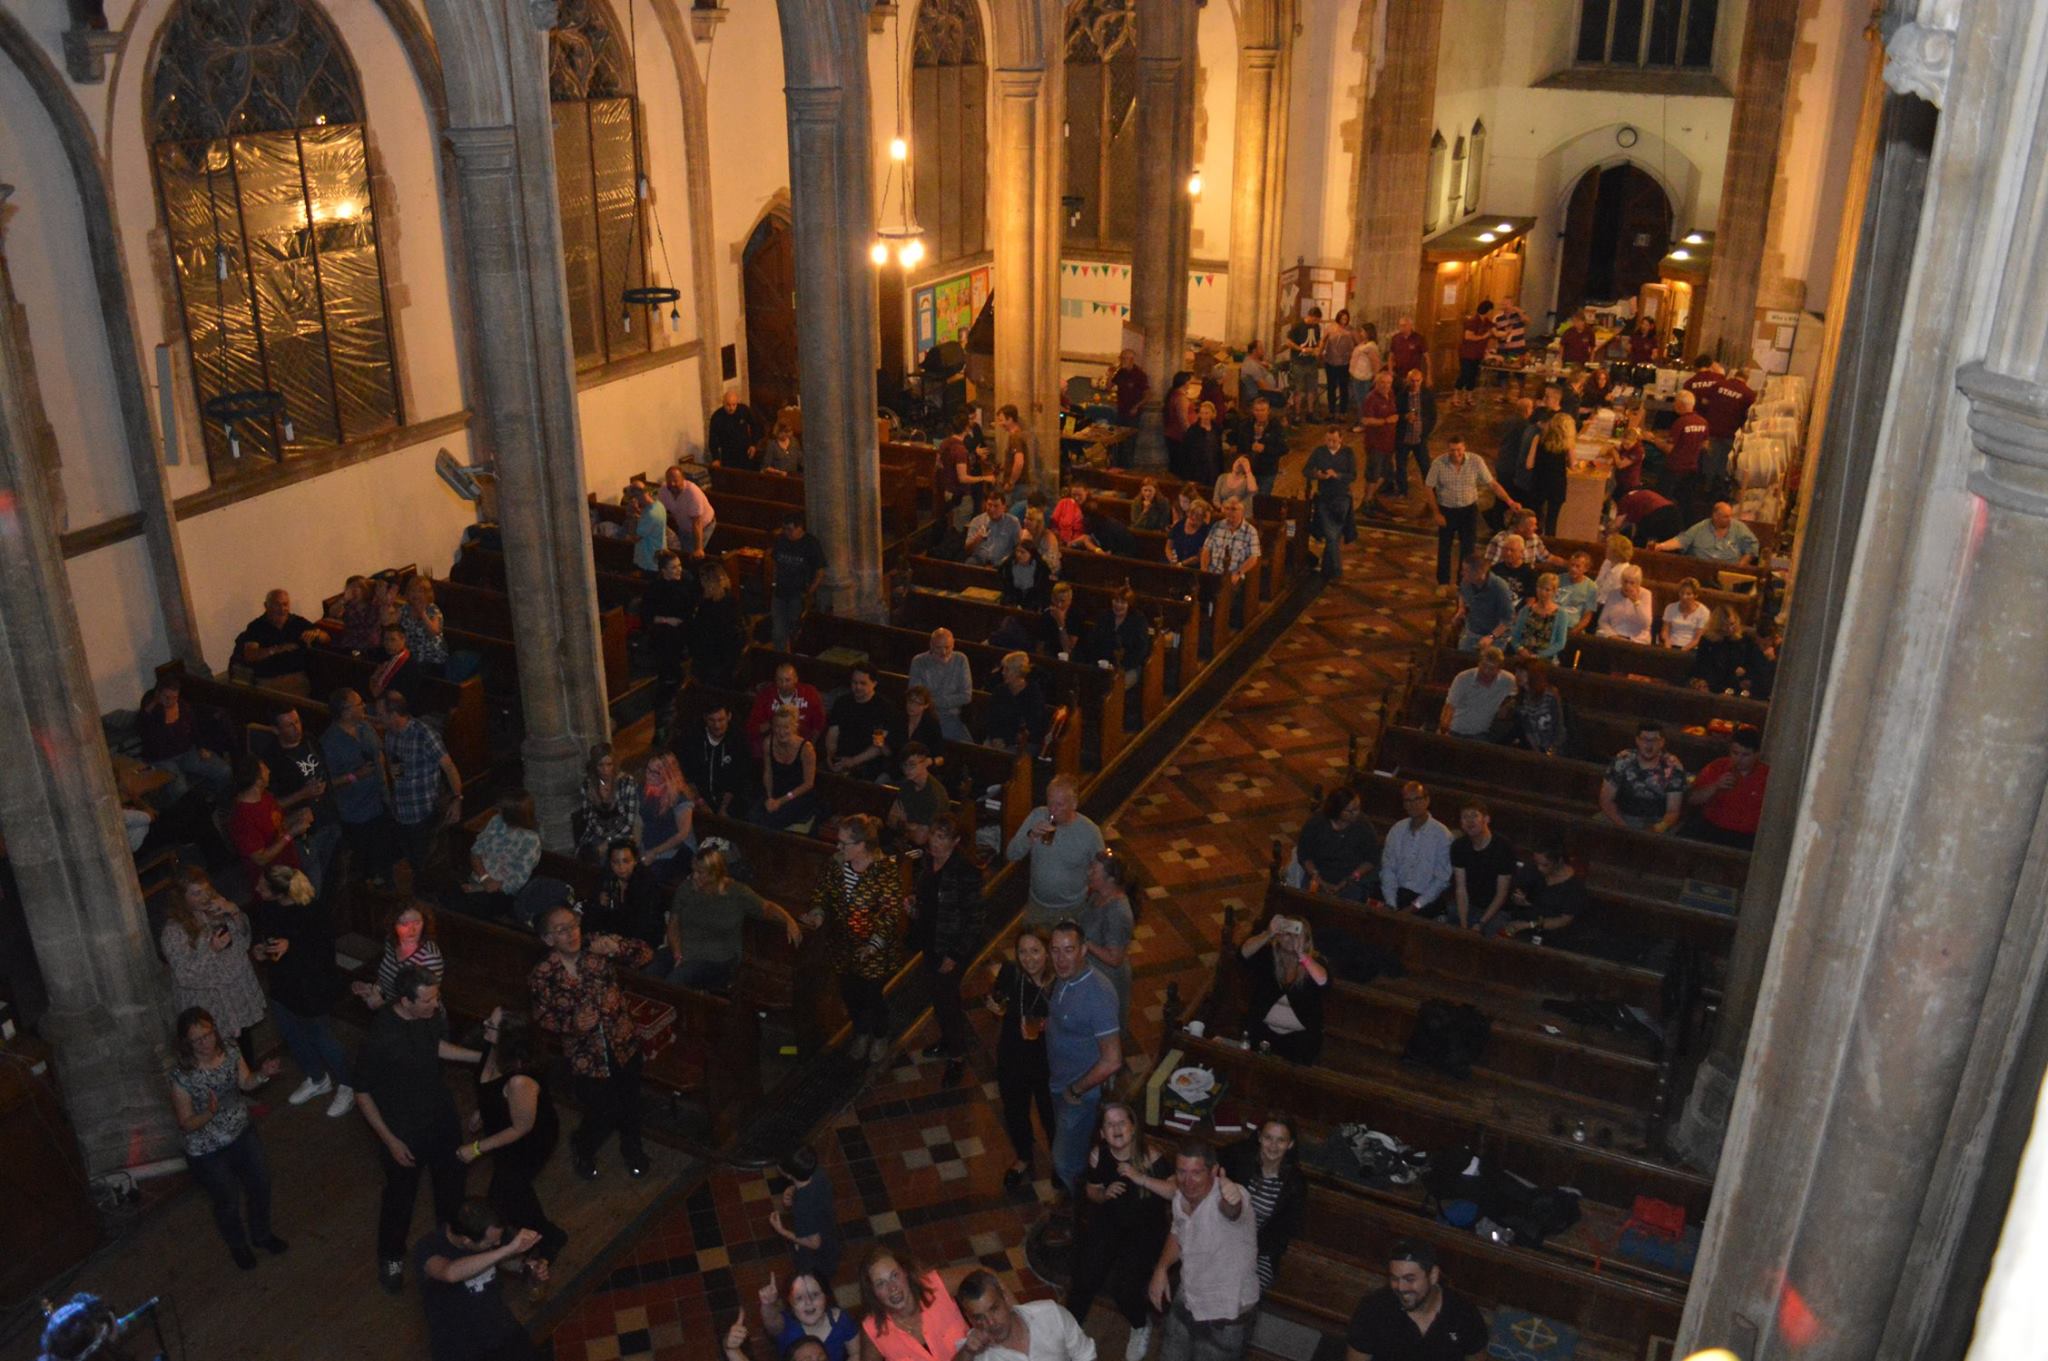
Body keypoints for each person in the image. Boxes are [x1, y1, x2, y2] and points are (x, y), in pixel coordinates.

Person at [354, 965, 481, 1293]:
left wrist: (478, 1058)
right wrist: (390, 1140)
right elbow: (362, 1091)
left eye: (437, 997)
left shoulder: (430, 1017)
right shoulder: (381, 1035)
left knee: (452, 1191)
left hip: (440, 1119)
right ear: (405, 1001)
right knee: (400, 1200)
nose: (435, 1005)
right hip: (403, 1130)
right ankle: (391, 1257)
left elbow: (434, 1047)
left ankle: (452, 1250)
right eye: (427, 1000)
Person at [529, 905, 656, 1178]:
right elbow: (542, 1017)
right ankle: (583, 1146)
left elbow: (645, 953)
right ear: (548, 939)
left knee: (630, 1103)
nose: (571, 933)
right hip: (586, 1054)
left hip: (622, 1042)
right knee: (603, 1110)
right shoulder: (543, 975)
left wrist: (616, 949)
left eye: (573, 925)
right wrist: (572, 1025)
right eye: (561, 930)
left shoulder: (596, 946)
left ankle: (632, 1149)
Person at [168, 1006, 284, 1269]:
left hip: (241, 1131)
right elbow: (186, 1123)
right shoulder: (182, 1076)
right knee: (227, 1199)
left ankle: (262, 1234)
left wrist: (263, 1073)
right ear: (186, 1043)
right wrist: (209, 1113)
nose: (205, 1043)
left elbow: (245, 1082)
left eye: (207, 1035)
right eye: (197, 1040)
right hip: (207, 1148)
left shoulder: (230, 1050)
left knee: (260, 1184)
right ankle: (238, 1246)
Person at [459, 1012, 565, 1270]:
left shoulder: (520, 1080)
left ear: (508, 1038)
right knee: (514, 1192)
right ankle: (542, 1236)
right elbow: (491, 1088)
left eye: (491, 1025)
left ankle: (547, 1237)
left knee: (503, 1194)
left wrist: (476, 1148)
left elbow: (522, 1128)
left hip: (528, 1144)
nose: (485, 1025)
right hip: (504, 1136)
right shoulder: (492, 1049)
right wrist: (482, 1111)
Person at [249, 865, 354, 1117]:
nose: (256, 889)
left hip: (311, 987)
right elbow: (265, 941)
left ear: (280, 892)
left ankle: (348, 1085)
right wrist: (260, 951)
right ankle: (317, 1078)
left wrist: (293, 946)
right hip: (282, 985)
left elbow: (323, 952)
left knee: (322, 1038)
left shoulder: (312, 910)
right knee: (292, 1035)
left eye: (263, 887)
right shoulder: (267, 908)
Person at [1069, 1102, 1171, 1354]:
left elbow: (1175, 1192)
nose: (1116, 1128)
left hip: (1145, 1231)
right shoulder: (1098, 1154)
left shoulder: (1153, 1157)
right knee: (1085, 1277)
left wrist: (1141, 1178)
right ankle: (1067, 1331)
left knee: (1124, 1288)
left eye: (1121, 1122)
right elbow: (1092, 1189)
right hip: (1110, 1224)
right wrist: (1103, 1195)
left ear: (1133, 1127)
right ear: (1102, 1133)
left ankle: (1139, 1325)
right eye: (1109, 1124)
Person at [803, 815, 904, 1064]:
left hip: (874, 952)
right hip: (842, 946)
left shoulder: (885, 871)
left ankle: (880, 1035)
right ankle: (861, 1032)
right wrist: (817, 913)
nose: (838, 847)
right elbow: (822, 892)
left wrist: (873, 944)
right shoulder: (836, 864)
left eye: (843, 843)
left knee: (872, 996)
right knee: (850, 994)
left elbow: (890, 913)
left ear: (861, 845)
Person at [1147, 1139, 1261, 1361]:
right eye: (1181, 1172)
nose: (1187, 1181)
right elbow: (1178, 1232)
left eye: (1197, 1173)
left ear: (1214, 1171)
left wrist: (1232, 1198)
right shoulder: (1180, 1197)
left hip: (1225, 1318)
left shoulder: (1230, 1195)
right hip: (1188, 1299)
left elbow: (1232, 1210)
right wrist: (1161, 1268)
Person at [1046, 920, 1122, 1208]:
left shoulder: (1097, 993)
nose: (1060, 959)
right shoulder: (1064, 981)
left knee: (1066, 1162)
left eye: (1068, 950)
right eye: (1055, 950)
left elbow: (1112, 1060)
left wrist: (1077, 1090)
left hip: (1081, 1094)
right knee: (1071, 1153)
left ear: (1084, 950)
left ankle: (1086, 1212)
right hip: (1060, 1083)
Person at [414, 1199, 544, 1361]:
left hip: (502, 1329)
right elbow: (449, 1272)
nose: (497, 1243)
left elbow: (500, 1260)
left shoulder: (489, 1235)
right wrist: (507, 1249)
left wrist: (525, 1266)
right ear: (466, 1241)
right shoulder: (428, 1247)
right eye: (490, 1243)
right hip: (461, 1348)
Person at [668, 846, 803, 994]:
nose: (694, 876)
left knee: (676, 981)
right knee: (651, 971)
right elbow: (673, 923)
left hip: (717, 960)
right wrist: (677, 953)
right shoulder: (686, 889)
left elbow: (767, 907)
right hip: (683, 951)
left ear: (714, 874)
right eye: (693, 871)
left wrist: (788, 919)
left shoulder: (737, 892)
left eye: (700, 873)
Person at [161, 869, 266, 1057]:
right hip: (209, 1000)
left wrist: (234, 912)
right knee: (220, 1053)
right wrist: (211, 950)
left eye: (205, 891)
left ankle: (251, 1081)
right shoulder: (173, 931)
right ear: (181, 897)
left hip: (233, 991)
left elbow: (243, 939)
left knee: (245, 1046)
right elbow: (184, 974)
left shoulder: (217, 908)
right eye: (196, 893)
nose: (203, 898)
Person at [910, 815, 984, 1082]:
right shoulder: (928, 861)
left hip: (951, 947)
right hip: (931, 941)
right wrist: (915, 907)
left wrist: (954, 955)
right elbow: (929, 899)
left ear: (955, 842)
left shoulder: (965, 871)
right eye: (933, 836)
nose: (935, 843)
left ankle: (957, 1055)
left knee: (947, 999)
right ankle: (947, 1040)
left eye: (942, 838)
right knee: (938, 996)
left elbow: (973, 919)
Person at [988, 926, 1058, 1190]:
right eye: (1023, 952)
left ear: (1047, 952)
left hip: (1046, 1060)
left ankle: (1059, 1161)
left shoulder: (1057, 984)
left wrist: (1050, 1025)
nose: (1029, 958)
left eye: (1035, 951)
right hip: (1012, 1054)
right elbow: (998, 998)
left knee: (1050, 1114)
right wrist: (995, 1007)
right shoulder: (1011, 972)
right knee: (1014, 1109)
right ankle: (1024, 1156)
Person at [1342, 1241, 1487, 1361]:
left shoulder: (1463, 1314)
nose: (1401, 1287)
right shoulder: (1374, 1309)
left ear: (1433, 1275)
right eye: (1394, 1278)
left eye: (1409, 1279)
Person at [249, 706, 339, 892]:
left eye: (297, 721)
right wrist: (303, 794)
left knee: (333, 876)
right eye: (289, 725)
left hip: (329, 818)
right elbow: (271, 805)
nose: (297, 728)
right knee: (311, 884)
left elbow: (326, 772)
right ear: (276, 730)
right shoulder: (271, 760)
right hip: (304, 832)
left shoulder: (310, 740)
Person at [1005, 775, 1105, 924]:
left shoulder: (1090, 832)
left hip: (1073, 910)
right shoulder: (1037, 816)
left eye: (1059, 805)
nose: (1052, 810)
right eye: (1050, 803)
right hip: (1037, 907)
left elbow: (1102, 871)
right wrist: (1030, 836)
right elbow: (1011, 854)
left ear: (1074, 804)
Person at [1220, 1117, 1306, 1290]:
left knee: (1244, 1288)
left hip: (1261, 1250)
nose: (1273, 1146)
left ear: (1290, 1144)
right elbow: (1212, 1169)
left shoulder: (1295, 1184)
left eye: (1281, 1140)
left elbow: (1285, 1231)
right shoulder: (1239, 1156)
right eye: (1268, 1138)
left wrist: (1249, 1250)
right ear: (1259, 1137)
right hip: (1224, 1235)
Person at [382, 690, 462, 874]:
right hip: (401, 811)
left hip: (423, 812)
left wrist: (457, 799)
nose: (378, 718)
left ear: (393, 715)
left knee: (426, 864)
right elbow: (396, 768)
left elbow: (449, 767)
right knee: (409, 861)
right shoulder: (390, 735)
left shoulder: (424, 734)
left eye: (381, 714)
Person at [1425, 441, 1519, 588]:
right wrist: (1436, 513)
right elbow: (1429, 487)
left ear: (1464, 448)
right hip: (1447, 510)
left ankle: (1462, 582)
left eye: (1459, 450)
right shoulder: (1438, 463)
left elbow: (1492, 484)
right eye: (1452, 450)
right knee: (1444, 547)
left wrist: (1509, 501)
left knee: (1468, 549)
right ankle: (1443, 582)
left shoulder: (1476, 461)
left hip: (1468, 511)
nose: (1456, 454)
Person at [1238, 915, 1328, 1063]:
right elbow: (1243, 954)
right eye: (1287, 933)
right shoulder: (1268, 956)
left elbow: (1323, 982)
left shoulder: (1314, 963)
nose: (1291, 938)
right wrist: (1268, 933)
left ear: (1306, 940)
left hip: (1299, 1041)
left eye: (1297, 934)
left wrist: (1301, 955)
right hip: (1262, 1033)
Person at [858, 1244, 970, 1361]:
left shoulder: (936, 1286)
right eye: (881, 1283)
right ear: (872, 1292)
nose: (892, 1287)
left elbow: (983, 1276)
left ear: (905, 1272)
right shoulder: (873, 1329)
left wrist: (981, 1317)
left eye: (895, 1275)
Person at [958, 1271, 1096, 1361]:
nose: (991, 1323)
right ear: (969, 1318)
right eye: (979, 1317)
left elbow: (1086, 1355)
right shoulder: (973, 1353)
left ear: (1005, 1298)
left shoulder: (1050, 1314)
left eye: (994, 1309)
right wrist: (968, 1352)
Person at [138, 673, 232, 800]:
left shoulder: (184, 707)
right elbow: (142, 725)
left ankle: (218, 802)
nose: (170, 701)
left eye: (174, 697)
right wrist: (153, 705)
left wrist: (201, 748)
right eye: (166, 697)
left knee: (224, 770)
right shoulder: (151, 711)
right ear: (158, 695)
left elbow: (194, 730)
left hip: (187, 752)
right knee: (180, 790)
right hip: (163, 759)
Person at [225, 753, 309, 886]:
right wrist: (291, 833)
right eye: (265, 769)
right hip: (274, 883)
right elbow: (260, 858)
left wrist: (296, 818)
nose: (269, 771)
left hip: (288, 869)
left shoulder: (264, 796)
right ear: (258, 781)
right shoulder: (242, 818)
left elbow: (275, 824)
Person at [1077, 851, 1137, 1036]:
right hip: (1091, 973)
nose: (1088, 873)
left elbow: (1115, 958)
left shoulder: (1117, 913)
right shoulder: (1097, 895)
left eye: (1093, 871)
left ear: (1110, 879)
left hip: (1107, 981)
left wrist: (1083, 941)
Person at [1684, 725, 1769, 849]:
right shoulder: (1717, 767)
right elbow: (1692, 799)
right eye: (1735, 753)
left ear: (1757, 754)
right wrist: (1715, 786)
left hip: (1748, 837)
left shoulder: (1767, 776)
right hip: (1712, 830)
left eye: (1745, 755)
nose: (1738, 759)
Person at [463, 791, 541, 921]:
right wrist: (484, 878)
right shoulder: (497, 821)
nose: (496, 810)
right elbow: (476, 851)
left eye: (501, 809)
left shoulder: (530, 840)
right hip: (480, 878)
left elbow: (516, 881)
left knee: (471, 908)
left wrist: (481, 887)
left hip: (501, 893)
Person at [353, 900, 446, 1010]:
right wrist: (373, 989)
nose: (412, 930)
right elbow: (387, 976)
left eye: (417, 923)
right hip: (390, 1006)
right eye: (404, 924)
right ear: (394, 925)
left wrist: (381, 1005)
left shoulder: (430, 958)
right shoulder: (391, 943)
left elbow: (424, 1005)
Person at [769, 1145, 841, 1286]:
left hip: (817, 1258)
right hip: (828, 1231)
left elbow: (814, 1243)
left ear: (788, 1174)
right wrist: (792, 1190)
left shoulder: (803, 1208)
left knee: (810, 1278)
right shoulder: (818, 1173)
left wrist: (781, 1231)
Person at [1289, 787, 1379, 900]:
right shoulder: (1316, 823)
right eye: (1350, 811)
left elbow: (1372, 858)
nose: (1356, 813)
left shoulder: (1363, 826)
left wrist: (1351, 878)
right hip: (1317, 876)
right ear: (1337, 810)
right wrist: (1318, 879)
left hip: (1351, 880)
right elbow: (1304, 854)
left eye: (1357, 808)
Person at [1599, 722, 1690, 832]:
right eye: (1644, 739)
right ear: (1637, 740)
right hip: (1622, 815)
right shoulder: (1623, 760)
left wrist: (1656, 830)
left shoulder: (1673, 766)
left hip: (1657, 821)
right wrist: (1623, 827)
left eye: (1655, 740)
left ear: (1662, 742)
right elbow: (1606, 800)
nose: (1649, 744)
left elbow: (1673, 811)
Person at [235, 589, 328, 693]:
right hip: (269, 681)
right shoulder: (257, 626)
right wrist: (278, 649)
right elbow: (250, 655)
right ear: (266, 606)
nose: (282, 609)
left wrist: (317, 633)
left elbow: (327, 638)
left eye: (285, 604)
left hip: (298, 677)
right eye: (277, 604)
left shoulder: (297, 622)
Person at [1446, 799, 1517, 934]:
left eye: (1474, 816)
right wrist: (1463, 924)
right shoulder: (1459, 846)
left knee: (1490, 931)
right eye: (1465, 817)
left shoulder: (1503, 847)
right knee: (1451, 916)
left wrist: (1480, 923)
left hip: (1498, 910)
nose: (1470, 821)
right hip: (1471, 905)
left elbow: (1501, 894)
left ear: (1486, 819)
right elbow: (1461, 889)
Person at [1379, 782, 1452, 913]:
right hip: (1397, 893)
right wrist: (1390, 902)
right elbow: (1388, 868)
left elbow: (1441, 879)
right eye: (1407, 800)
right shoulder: (1397, 829)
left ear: (1427, 800)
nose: (1412, 804)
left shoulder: (1442, 834)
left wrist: (1416, 905)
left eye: (1417, 799)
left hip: (1426, 899)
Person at [1501, 843, 1592, 948]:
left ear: (1559, 861)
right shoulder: (1532, 869)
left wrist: (1528, 925)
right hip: (1520, 920)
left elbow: (1563, 920)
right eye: (1537, 863)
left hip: (1550, 934)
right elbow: (1517, 888)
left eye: (1545, 865)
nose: (1540, 868)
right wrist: (1519, 899)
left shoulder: (1574, 887)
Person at [758, 1270, 859, 1361]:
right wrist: (768, 1304)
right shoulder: (784, 1323)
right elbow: (771, 1323)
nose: (808, 1302)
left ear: (826, 1296)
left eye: (815, 1295)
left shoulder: (841, 1320)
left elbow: (856, 1353)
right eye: (799, 1298)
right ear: (789, 1301)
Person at [642, 550, 695, 720]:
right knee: (670, 672)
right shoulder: (656, 588)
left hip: (684, 633)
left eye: (679, 566)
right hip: (665, 636)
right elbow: (647, 615)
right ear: (663, 571)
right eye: (673, 568)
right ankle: (666, 707)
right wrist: (667, 620)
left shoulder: (685, 582)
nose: (678, 570)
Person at [588, 839, 666, 950]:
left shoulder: (646, 882)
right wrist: (598, 904)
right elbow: (594, 919)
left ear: (635, 861)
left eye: (626, 861)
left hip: (640, 941)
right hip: (612, 938)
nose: (621, 867)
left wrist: (619, 942)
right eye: (615, 862)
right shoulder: (606, 880)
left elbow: (646, 923)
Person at [677, 699, 749, 817]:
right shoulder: (692, 738)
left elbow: (739, 778)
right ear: (705, 718)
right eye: (712, 720)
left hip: (729, 800)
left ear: (729, 717)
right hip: (697, 799)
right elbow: (686, 775)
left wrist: (724, 808)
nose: (717, 725)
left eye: (721, 720)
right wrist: (700, 803)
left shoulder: (738, 740)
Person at [1303, 425, 1357, 580]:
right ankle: (1336, 570)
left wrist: (1337, 475)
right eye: (1328, 440)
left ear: (1340, 439)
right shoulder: (1319, 452)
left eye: (1334, 440)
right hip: (1324, 497)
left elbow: (1352, 475)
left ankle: (1328, 569)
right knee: (1331, 535)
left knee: (1334, 535)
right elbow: (1306, 470)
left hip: (1342, 499)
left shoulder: (1348, 453)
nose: (1331, 443)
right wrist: (1317, 475)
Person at [572, 742, 641, 862]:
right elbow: (589, 818)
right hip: (598, 832)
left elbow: (628, 822)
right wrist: (600, 803)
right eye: (600, 765)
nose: (605, 770)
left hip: (622, 834)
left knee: (613, 858)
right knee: (585, 857)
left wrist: (608, 841)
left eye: (609, 764)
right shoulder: (589, 785)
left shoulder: (626, 782)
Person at [638, 751, 697, 886]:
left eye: (655, 772)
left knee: (650, 877)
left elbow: (682, 834)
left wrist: (654, 852)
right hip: (650, 845)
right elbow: (639, 821)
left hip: (676, 850)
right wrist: (637, 847)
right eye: (648, 770)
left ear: (667, 774)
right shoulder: (643, 790)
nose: (649, 775)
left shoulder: (680, 797)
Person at [770, 513, 828, 649]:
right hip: (780, 593)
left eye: (790, 530)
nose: (786, 533)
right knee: (778, 631)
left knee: (795, 630)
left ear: (799, 528)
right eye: (784, 529)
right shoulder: (781, 540)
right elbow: (774, 563)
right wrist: (773, 583)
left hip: (798, 595)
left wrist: (809, 592)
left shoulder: (810, 544)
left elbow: (820, 572)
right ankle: (780, 656)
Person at [825, 665, 894, 780]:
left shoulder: (884, 708)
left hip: (867, 763)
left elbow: (878, 745)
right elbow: (832, 733)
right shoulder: (842, 702)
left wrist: (853, 761)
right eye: (854, 682)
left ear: (874, 683)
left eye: (863, 683)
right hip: (841, 758)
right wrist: (831, 756)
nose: (857, 687)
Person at [759, 708, 821, 833]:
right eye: (778, 727)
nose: (781, 732)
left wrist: (781, 801)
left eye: (786, 727)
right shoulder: (768, 743)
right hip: (777, 791)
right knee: (754, 815)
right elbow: (768, 773)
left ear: (794, 727)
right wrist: (770, 797)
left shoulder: (806, 748)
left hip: (797, 795)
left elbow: (808, 783)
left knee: (772, 822)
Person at [747, 661, 828, 756]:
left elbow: (819, 724)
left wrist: (809, 747)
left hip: (802, 748)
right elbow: (752, 728)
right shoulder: (766, 696)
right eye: (779, 680)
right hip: (774, 749)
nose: (783, 684)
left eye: (787, 680)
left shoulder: (809, 693)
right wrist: (772, 723)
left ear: (796, 679)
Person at [909, 628, 974, 744]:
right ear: (931, 646)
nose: (943, 652)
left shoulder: (960, 659)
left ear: (953, 645)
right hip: (926, 716)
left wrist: (932, 702)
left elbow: (966, 696)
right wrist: (942, 703)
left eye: (947, 647)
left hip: (952, 717)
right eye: (939, 648)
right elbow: (916, 696)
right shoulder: (919, 661)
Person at [689, 561, 747, 689]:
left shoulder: (730, 605)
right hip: (706, 659)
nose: (702, 586)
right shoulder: (705, 604)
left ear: (712, 584)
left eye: (704, 582)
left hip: (721, 662)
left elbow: (734, 638)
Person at [1690, 605, 1769, 696]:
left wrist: (1746, 674)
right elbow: (1702, 665)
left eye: (1732, 624)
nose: (1729, 629)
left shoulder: (1745, 640)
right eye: (1724, 625)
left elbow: (1756, 663)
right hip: (1714, 685)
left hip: (1738, 686)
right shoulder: (1707, 641)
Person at [986, 651, 1053, 754]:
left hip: (1023, 742)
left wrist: (1008, 740)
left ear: (1018, 672)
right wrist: (996, 737)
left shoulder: (1033, 693)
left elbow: (1031, 726)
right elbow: (991, 717)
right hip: (998, 738)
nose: (1003, 672)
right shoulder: (1000, 690)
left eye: (1007, 670)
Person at [887, 742, 953, 847]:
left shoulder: (934, 794)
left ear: (925, 762)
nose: (907, 770)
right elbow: (891, 820)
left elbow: (921, 839)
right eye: (905, 765)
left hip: (927, 850)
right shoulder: (906, 785)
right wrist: (911, 826)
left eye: (912, 764)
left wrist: (902, 823)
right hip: (901, 843)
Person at [1654, 501, 1762, 564]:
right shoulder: (1701, 526)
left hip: (1728, 573)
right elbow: (1681, 540)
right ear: (1715, 516)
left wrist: (1740, 566)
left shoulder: (1739, 527)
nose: (1729, 519)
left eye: (1730, 516)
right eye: (1725, 517)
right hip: (1701, 570)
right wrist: (1661, 546)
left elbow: (1752, 547)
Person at [1450, 552, 1515, 653]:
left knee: (1488, 661)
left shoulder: (1500, 588)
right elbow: (1462, 593)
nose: (1462, 573)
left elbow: (1508, 619)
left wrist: (1491, 637)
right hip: (1472, 630)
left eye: (1466, 571)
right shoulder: (1466, 582)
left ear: (1478, 573)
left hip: (1496, 635)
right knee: (1461, 659)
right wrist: (1461, 609)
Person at [1525, 413, 1575, 536]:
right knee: (1552, 520)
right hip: (1556, 484)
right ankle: (1549, 544)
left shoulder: (1538, 438)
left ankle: (1533, 541)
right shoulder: (1567, 444)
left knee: (1536, 518)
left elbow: (1529, 464)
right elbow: (1573, 465)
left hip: (1539, 482)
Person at [1201, 496, 1261, 591]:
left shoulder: (1250, 531)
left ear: (1242, 511)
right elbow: (1206, 549)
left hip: (1234, 576)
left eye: (1234, 509)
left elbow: (1254, 557)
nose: (1229, 512)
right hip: (1213, 574)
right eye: (1227, 509)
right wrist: (1204, 571)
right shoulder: (1217, 526)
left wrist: (1238, 573)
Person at [1510, 659, 1568, 757]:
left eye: (1522, 672)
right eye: (1516, 671)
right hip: (1533, 747)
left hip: (1553, 745)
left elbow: (1558, 723)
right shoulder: (1520, 699)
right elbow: (1528, 729)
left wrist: (1554, 747)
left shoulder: (1550, 694)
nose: (1517, 675)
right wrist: (1536, 751)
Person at [1394, 367, 1438, 495]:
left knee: (1425, 466)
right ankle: (1403, 490)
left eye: (1417, 381)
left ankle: (1431, 492)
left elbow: (1433, 416)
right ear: (1408, 380)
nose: (1415, 383)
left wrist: (1426, 432)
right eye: (1412, 381)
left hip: (1420, 437)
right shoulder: (1401, 395)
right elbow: (1395, 413)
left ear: (1421, 380)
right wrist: (1404, 417)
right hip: (1404, 436)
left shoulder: (1427, 395)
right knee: (1401, 465)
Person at [1233, 397, 1287, 497]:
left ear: (1268, 411)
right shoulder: (1245, 425)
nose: (1260, 413)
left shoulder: (1275, 427)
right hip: (1248, 470)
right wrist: (1249, 447)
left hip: (1267, 470)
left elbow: (1283, 449)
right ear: (1253, 411)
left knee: (1262, 500)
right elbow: (1240, 446)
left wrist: (1265, 449)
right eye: (1257, 410)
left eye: (1263, 410)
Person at [1511, 572, 1569, 662]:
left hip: (1545, 659)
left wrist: (1538, 655)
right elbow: (1515, 637)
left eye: (1547, 590)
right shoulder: (1526, 610)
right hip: (1523, 656)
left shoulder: (1561, 614)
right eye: (1540, 588)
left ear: (1554, 591)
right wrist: (1520, 649)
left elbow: (1560, 643)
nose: (1542, 592)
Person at [658, 464, 716, 554]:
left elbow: (697, 522)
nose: (672, 484)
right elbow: (659, 511)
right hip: (684, 527)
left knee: (692, 554)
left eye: (675, 481)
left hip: (703, 527)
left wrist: (698, 549)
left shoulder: (692, 492)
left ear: (683, 479)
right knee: (682, 552)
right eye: (669, 481)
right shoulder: (664, 490)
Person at [1595, 564, 1655, 645]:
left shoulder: (1646, 594)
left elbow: (1646, 624)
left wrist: (1636, 602)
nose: (1627, 586)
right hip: (1614, 637)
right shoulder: (1613, 594)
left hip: (1636, 641)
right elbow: (1602, 621)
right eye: (1625, 581)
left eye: (1632, 583)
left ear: (1639, 583)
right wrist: (1613, 636)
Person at [707, 388, 765, 469]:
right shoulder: (717, 417)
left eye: (734, 405)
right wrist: (716, 458)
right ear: (723, 403)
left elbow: (755, 425)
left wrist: (753, 444)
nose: (731, 408)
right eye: (728, 405)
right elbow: (713, 439)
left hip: (746, 451)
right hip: (728, 455)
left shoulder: (743, 410)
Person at [966, 491, 1025, 567]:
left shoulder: (1013, 522)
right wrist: (977, 538)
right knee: (969, 563)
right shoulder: (977, 521)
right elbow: (967, 550)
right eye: (989, 505)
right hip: (979, 560)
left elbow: (1019, 547)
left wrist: (1008, 559)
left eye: (996, 506)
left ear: (1004, 507)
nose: (992, 509)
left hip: (1002, 561)